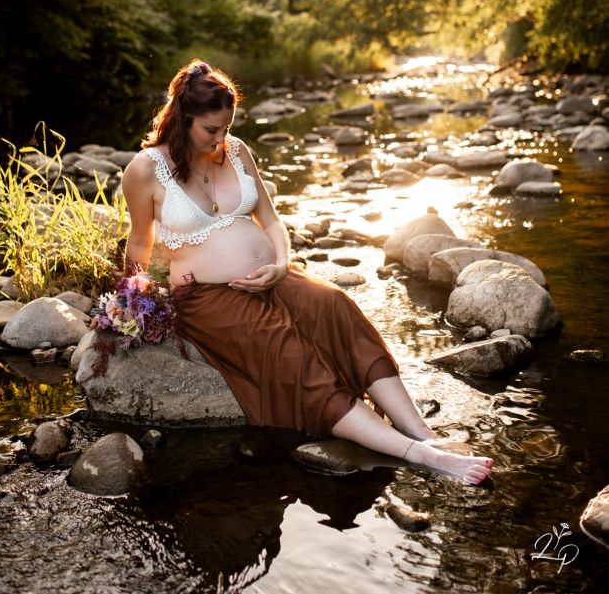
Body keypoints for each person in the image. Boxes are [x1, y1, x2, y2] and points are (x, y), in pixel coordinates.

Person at [120, 59, 493, 485]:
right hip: (207, 297)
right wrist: (135, 299)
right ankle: (420, 455)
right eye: (212, 130)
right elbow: (140, 241)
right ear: (183, 120)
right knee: (290, 352)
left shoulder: (237, 152)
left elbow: (272, 220)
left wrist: (279, 266)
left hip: (273, 279)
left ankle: (423, 432)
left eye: (227, 127)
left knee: (335, 303)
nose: (222, 138)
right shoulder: (147, 168)